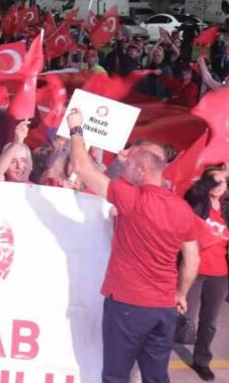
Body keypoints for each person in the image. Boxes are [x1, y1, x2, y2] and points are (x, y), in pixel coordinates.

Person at [65, 108, 201, 383]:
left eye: (129, 163)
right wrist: (180, 293)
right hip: (163, 307)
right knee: (156, 376)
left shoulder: (132, 199)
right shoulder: (182, 208)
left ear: (141, 170)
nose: (124, 166)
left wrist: (76, 128)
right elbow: (193, 258)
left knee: (116, 375)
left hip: (128, 305)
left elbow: (82, 168)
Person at [177, 165, 228, 381]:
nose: (219, 186)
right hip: (195, 271)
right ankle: (157, 350)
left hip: (220, 274)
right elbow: (192, 194)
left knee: (210, 322)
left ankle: (201, 361)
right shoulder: (197, 202)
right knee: (184, 316)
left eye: (223, 182)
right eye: (214, 181)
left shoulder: (227, 209)